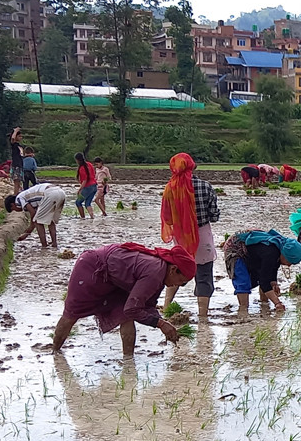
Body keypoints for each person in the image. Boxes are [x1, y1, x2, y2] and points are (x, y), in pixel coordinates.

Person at [53, 242, 196, 356]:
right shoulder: (155, 273)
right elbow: (133, 309)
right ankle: (56, 353)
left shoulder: (161, 273)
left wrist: (162, 324)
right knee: (71, 314)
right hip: (93, 268)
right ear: (173, 269)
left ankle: (128, 361)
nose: (179, 285)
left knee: (125, 316)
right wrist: (161, 324)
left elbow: (146, 305)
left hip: (116, 279)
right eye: (181, 281)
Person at [162, 153, 218, 319]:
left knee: (177, 272)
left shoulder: (170, 189)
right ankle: (202, 316)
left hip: (181, 239)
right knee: (204, 275)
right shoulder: (205, 186)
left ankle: (166, 308)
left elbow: (167, 218)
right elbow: (214, 215)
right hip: (202, 237)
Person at [222, 230, 301, 313]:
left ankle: (264, 304)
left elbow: (272, 269)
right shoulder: (270, 253)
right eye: (290, 262)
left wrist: (273, 282)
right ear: (285, 255)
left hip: (252, 250)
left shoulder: (278, 250)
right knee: (243, 281)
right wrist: (277, 303)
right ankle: (243, 309)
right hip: (235, 247)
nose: (289, 265)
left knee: (262, 277)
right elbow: (264, 281)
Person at [4, 183, 67, 248]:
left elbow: (33, 213)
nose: (16, 211)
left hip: (50, 194)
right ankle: (54, 243)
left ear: (12, 205)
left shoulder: (19, 199)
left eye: (14, 209)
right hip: (60, 192)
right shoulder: (27, 196)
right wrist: (29, 231)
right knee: (50, 220)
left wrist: (29, 230)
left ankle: (44, 246)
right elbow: (36, 213)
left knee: (37, 222)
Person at [74, 152, 97, 219]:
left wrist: (79, 190)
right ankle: (92, 217)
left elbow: (85, 180)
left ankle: (82, 217)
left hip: (88, 187)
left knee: (78, 202)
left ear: (77, 160)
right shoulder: (89, 164)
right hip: (94, 186)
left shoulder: (82, 168)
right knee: (87, 203)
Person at [9, 127, 24, 193]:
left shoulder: (19, 146)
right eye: (19, 136)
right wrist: (15, 131)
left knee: (19, 182)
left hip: (20, 165)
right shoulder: (14, 145)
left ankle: (17, 193)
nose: (21, 138)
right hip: (16, 165)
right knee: (16, 182)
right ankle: (15, 195)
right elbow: (12, 139)